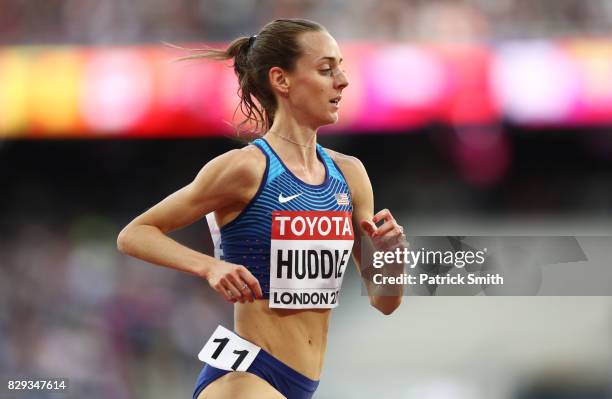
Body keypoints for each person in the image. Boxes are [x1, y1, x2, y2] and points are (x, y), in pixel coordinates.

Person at [117, 18, 406, 399]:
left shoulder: (350, 175)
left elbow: (384, 302)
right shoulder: (246, 168)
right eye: (326, 69)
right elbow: (134, 234)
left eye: (341, 66)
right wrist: (210, 266)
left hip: (302, 383)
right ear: (281, 80)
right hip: (247, 374)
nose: (343, 80)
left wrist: (391, 260)